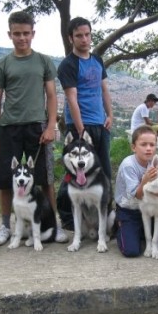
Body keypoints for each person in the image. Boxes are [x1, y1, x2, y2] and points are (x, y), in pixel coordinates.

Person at [0, 11, 67, 245]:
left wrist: (51, 126)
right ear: (9, 34)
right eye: (17, 34)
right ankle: (5, 226)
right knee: (5, 180)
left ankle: (53, 225)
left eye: (26, 33)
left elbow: (52, 95)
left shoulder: (43, 61)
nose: (21, 38)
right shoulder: (2, 64)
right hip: (9, 127)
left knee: (45, 178)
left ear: (33, 33)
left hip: (37, 127)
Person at [56, 16, 114, 230]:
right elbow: (72, 99)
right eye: (79, 35)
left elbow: (104, 89)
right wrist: (81, 131)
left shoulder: (97, 60)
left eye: (87, 34)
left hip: (101, 125)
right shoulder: (68, 65)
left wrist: (110, 114)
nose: (84, 39)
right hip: (79, 127)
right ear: (71, 38)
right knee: (73, 173)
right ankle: (67, 217)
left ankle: (105, 217)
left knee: (104, 172)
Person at [114, 125, 158, 257]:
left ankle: (138, 231)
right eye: (143, 144)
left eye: (152, 144)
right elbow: (138, 195)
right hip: (129, 210)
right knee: (131, 251)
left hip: (147, 209)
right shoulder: (129, 165)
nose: (149, 148)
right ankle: (121, 227)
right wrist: (145, 180)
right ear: (133, 147)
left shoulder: (153, 162)